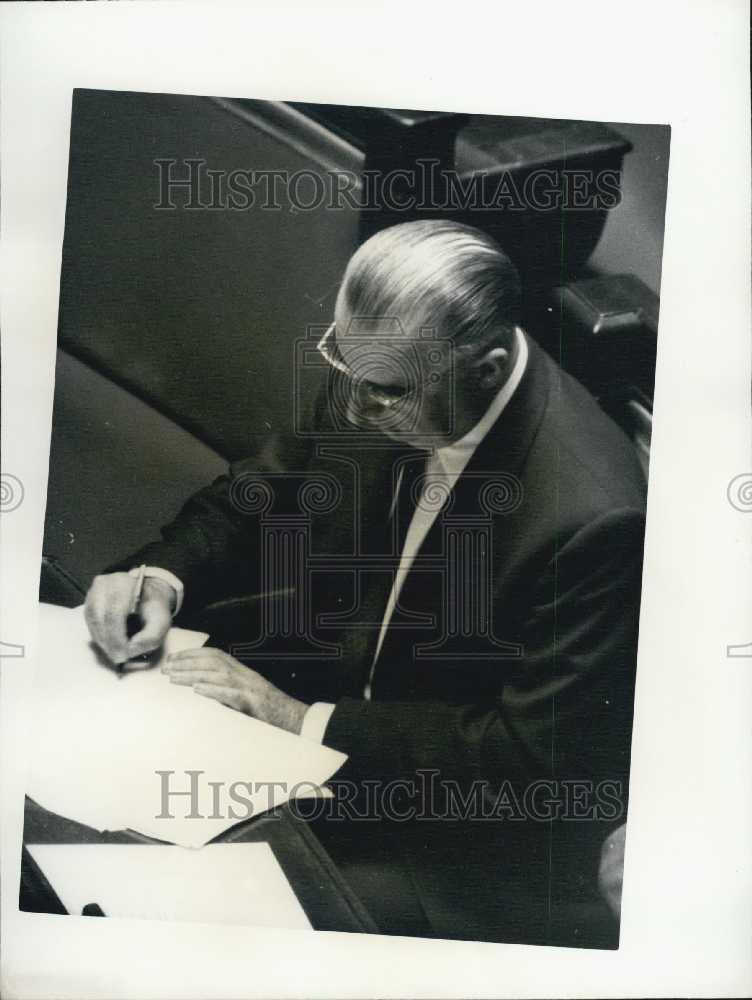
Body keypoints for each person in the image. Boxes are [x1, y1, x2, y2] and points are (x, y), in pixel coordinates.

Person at [84, 220, 646, 945]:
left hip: (453, 829)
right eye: (341, 365)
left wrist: (297, 720)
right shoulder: (384, 367)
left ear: (483, 368)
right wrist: (161, 576)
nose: (353, 408)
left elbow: (526, 762)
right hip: (338, 688)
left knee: (196, 920)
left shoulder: (594, 519)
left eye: (381, 392)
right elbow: (261, 493)